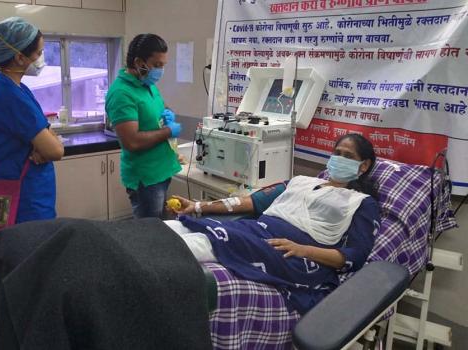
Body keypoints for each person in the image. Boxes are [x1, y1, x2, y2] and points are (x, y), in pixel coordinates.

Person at [166, 133, 381, 314]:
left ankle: (142, 270)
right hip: (256, 230)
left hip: (290, 252)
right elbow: (249, 201)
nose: (340, 159)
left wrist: (304, 250)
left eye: (348, 156)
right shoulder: (300, 182)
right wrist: (197, 207)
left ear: (364, 165)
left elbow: (356, 256)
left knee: (200, 243)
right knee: (173, 228)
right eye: (337, 153)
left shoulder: (361, 203)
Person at [0, 17, 64, 224]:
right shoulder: (8, 94)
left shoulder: (15, 87)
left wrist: (44, 145)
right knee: (26, 250)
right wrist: (46, 146)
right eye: (38, 53)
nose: (41, 58)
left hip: (14, 185)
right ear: (19, 57)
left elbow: (46, 132)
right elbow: (55, 150)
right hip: (22, 196)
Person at [105, 33, 182, 219]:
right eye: (157, 65)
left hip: (162, 171)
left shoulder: (147, 84)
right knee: (149, 235)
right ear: (139, 62)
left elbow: (159, 107)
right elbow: (132, 142)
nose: (160, 70)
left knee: (161, 230)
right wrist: (168, 131)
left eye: (163, 65)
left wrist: (168, 114)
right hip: (146, 178)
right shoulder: (122, 93)